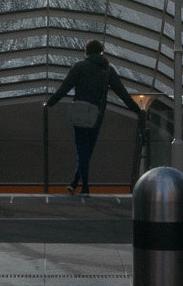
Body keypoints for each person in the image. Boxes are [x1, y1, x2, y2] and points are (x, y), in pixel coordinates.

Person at [46, 40, 142, 195]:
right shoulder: (108, 70)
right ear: (101, 52)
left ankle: (84, 187)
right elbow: (122, 93)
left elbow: (64, 88)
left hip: (80, 112)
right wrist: (137, 109)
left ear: (87, 52)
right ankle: (75, 183)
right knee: (87, 150)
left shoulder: (79, 67)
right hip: (97, 115)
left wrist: (50, 103)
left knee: (82, 150)